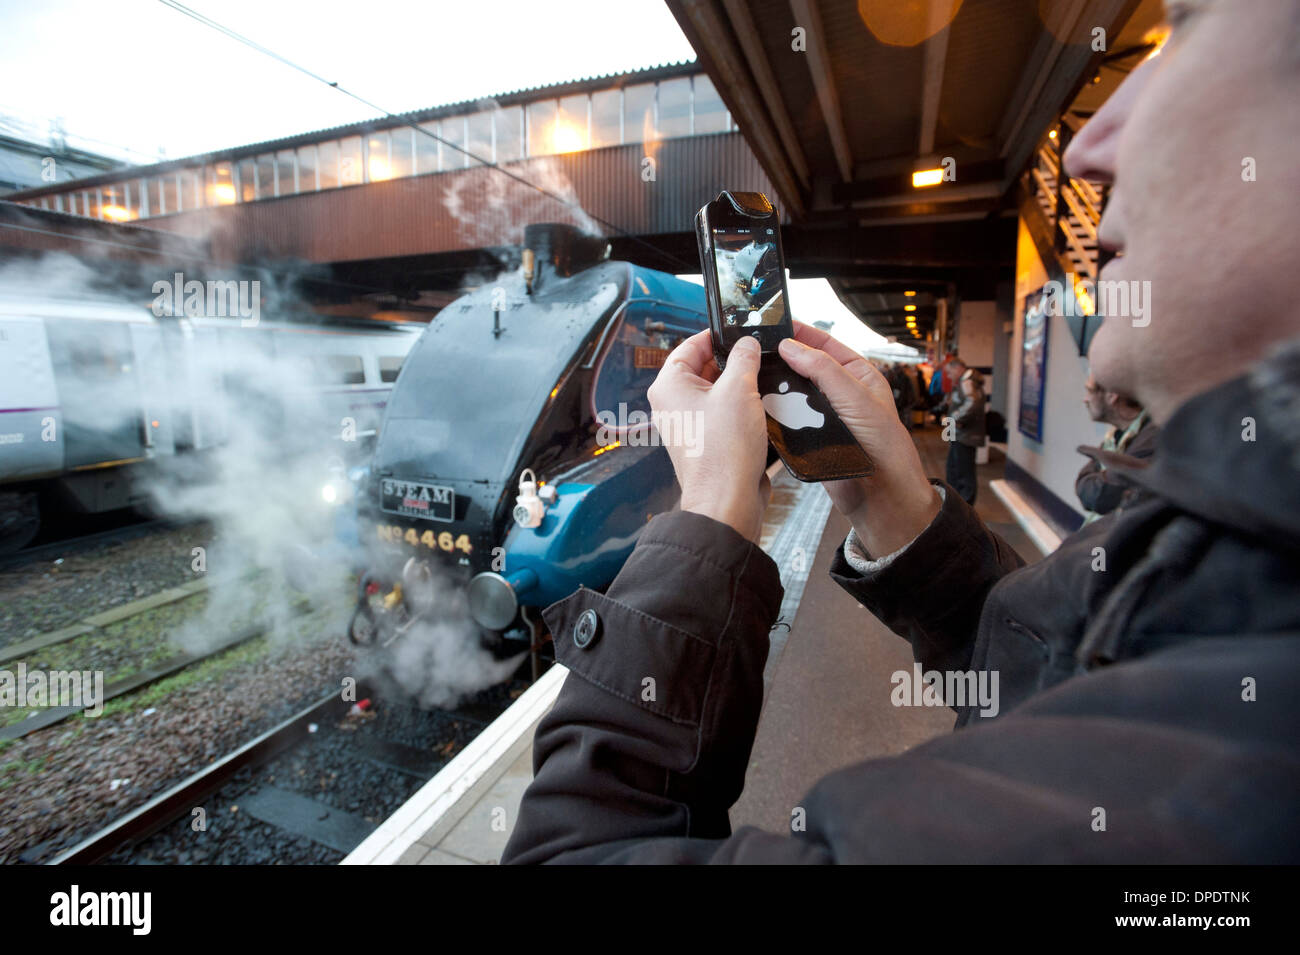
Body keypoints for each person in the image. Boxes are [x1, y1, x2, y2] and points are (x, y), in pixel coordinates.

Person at [503, 0, 1300, 864]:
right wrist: (894, 503)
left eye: (1183, 28)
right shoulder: (1230, 580)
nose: (1088, 145)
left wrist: (707, 517)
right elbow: (1049, 672)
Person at [1075, 374, 1159, 522]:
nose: (1085, 399)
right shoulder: (1116, 435)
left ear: (1112, 395)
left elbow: (1098, 494)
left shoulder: (1152, 436)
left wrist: (1089, 478)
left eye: (1090, 391)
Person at [942, 362, 985, 504]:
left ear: (958, 368)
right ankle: (958, 504)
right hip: (962, 434)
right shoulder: (966, 382)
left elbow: (972, 404)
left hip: (965, 435)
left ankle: (965, 506)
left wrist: (954, 418)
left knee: (963, 473)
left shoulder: (967, 383)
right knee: (956, 470)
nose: (949, 376)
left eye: (950, 372)